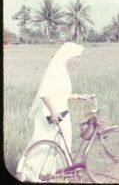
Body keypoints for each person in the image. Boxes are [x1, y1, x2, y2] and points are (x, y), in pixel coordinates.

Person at [16, 42, 93, 181]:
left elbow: (59, 93)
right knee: (42, 143)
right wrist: (53, 111)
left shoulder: (62, 69)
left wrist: (78, 96)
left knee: (59, 146)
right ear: (69, 56)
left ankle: (48, 174)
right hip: (53, 114)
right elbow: (44, 93)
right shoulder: (56, 69)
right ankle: (26, 172)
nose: (78, 60)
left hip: (61, 113)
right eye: (77, 57)